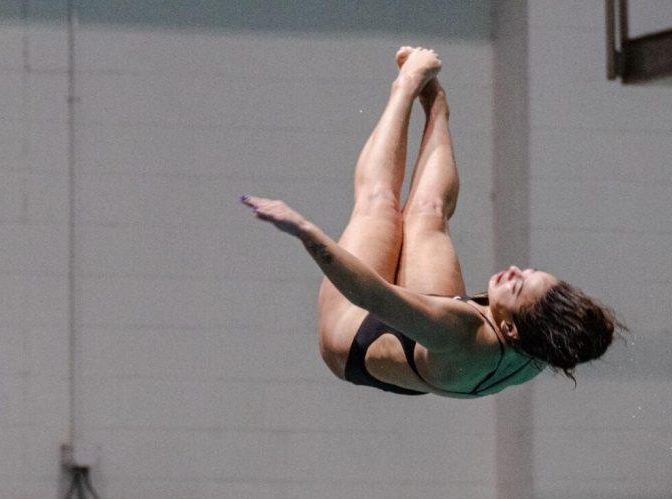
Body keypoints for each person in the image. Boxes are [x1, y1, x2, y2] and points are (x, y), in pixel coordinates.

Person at [242, 46, 625, 397]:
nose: (512, 270)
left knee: (379, 207)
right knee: (427, 213)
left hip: (351, 339)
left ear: (510, 329)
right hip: (433, 352)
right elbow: (584, 333)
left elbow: (370, 294)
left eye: (518, 285)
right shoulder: (549, 342)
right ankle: (437, 103)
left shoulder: (460, 329)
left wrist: (305, 231)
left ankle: (406, 85)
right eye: (528, 271)